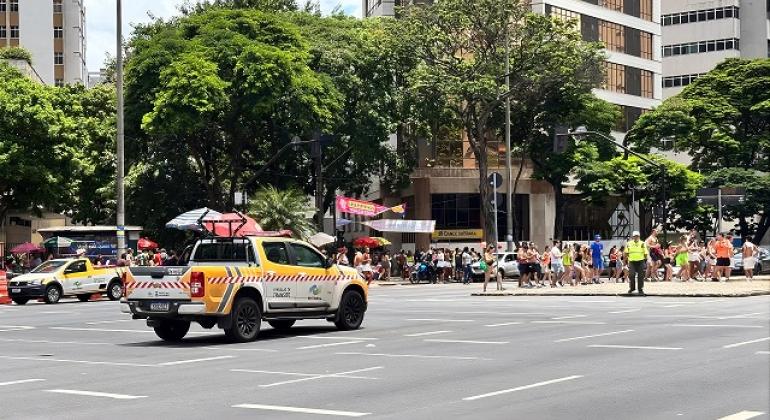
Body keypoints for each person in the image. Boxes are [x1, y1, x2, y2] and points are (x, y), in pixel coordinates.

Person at [625, 231, 648, 296]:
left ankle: (640, 289)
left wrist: (645, 261)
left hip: (641, 261)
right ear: (633, 237)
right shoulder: (629, 243)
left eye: (637, 236)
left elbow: (645, 253)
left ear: (639, 236)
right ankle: (632, 288)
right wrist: (626, 260)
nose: (636, 237)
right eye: (635, 236)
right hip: (632, 261)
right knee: (631, 275)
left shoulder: (642, 243)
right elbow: (626, 253)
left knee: (641, 276)